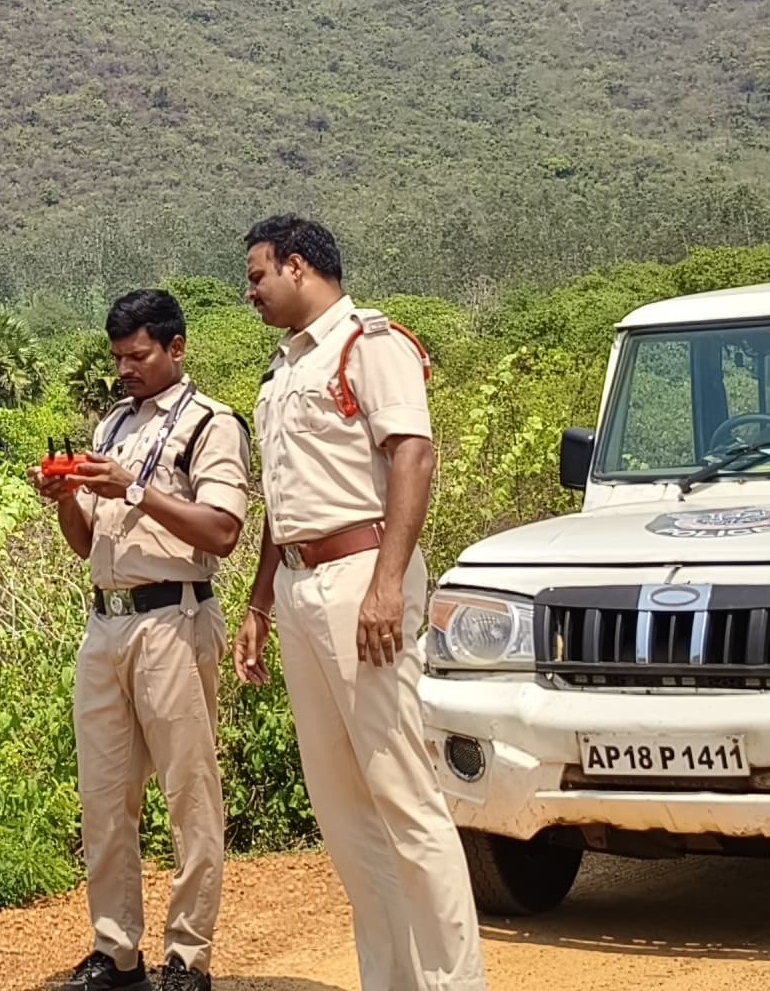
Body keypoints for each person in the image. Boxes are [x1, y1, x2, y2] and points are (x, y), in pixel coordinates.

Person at [232, 215, 486, 991]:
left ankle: (455, 983)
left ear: (299, 266)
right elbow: (284, 499)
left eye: (257, 275)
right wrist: (260, 600)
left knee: (404, 793)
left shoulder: (369, 345)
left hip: (360, 578)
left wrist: (386, 581)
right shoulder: (282, 369)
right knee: (341, 807)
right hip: (304, 586)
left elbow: (413, 452)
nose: (249, 292)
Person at [41, 288, 250, 991]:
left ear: (176, 348)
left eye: (139, 356)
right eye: (118, 358)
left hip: (175, 617)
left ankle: (188, 955)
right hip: (106, 621)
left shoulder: (209, 425)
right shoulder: (111, 428)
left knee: (189, 792)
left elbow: (222, 530)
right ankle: (116, 949)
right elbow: (84, 543)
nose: (126, 369)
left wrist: (135, 489)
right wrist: (69, 494)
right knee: (104, 796)